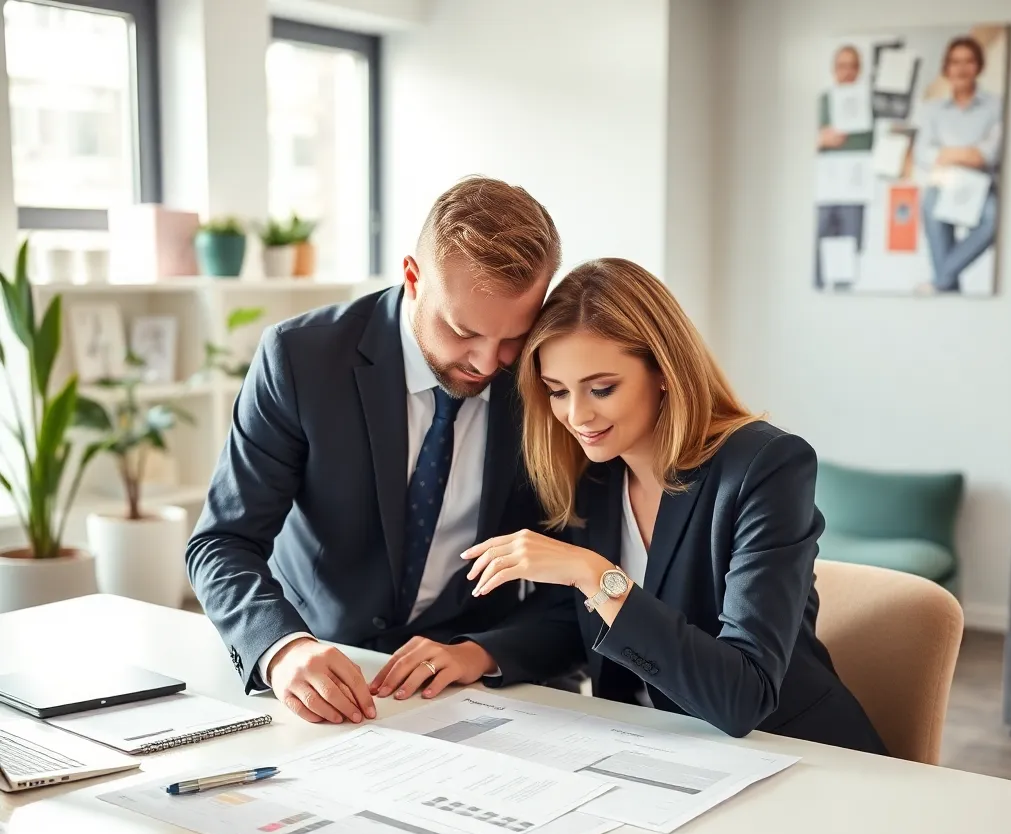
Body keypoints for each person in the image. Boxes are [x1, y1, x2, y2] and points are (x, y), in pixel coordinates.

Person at [452, 258, 886, 754]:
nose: (576, 415)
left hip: (794, 755)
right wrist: (480, 653)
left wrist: (597, 575)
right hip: (662, 755)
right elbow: (580, 621)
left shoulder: (766, 467)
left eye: (601, 389)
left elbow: (744, 694)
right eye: (557, 392)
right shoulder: (595, 474)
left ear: (663, 370)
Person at [186, 176, 569, 725]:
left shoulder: (546, 380)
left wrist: (483, 652)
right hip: (324, 668)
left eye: (512, 336)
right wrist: (283, 647)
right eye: (463, 331)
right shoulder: (300, 360)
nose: (488, 364)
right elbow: (222, 543)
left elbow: (573, 576)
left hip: (474, 686)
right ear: (413, 278)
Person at [915, 36, 1003, 294]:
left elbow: (987, 155)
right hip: (944, 183)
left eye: (968, 61)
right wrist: (965, 153)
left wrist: (947, 153)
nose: (961, 69)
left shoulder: (996, 105)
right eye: (955, 62)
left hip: (982, 185)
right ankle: (946, 283)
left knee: (993, 218)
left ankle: (940, 281)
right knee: (930, 206)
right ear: (946, 68)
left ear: (978, 66)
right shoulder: (932, 109)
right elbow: (923, 153)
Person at [814, 44, 874, 290]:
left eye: (852, 66)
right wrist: (820, 139)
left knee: (848, 248)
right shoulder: (821, 102)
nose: (847, 72)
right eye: (842, 66)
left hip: (855, 186)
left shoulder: (870, 104)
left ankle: (841, 295)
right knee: (817, 246)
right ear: (833, 70)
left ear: (859, 70)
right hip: (824, 187)